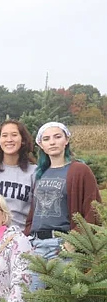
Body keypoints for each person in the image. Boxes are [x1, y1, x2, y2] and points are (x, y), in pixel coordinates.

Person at [26, 122, 101, 286]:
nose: (52, 142)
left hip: (63, 247)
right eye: (46, 139)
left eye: (57, 137)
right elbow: (34, 210)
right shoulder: (39, 173)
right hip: (36, 246)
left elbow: (93, 210)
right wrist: (28, 234)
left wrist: (74, 241)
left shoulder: (79, 170)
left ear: (66, 140)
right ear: (41, 145)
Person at [0, 120, 37, 230]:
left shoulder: (34, 172)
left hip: (20, 237)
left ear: (23, 140)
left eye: (14, 135)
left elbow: (36, 211)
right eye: (4, 136)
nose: (9, 140)